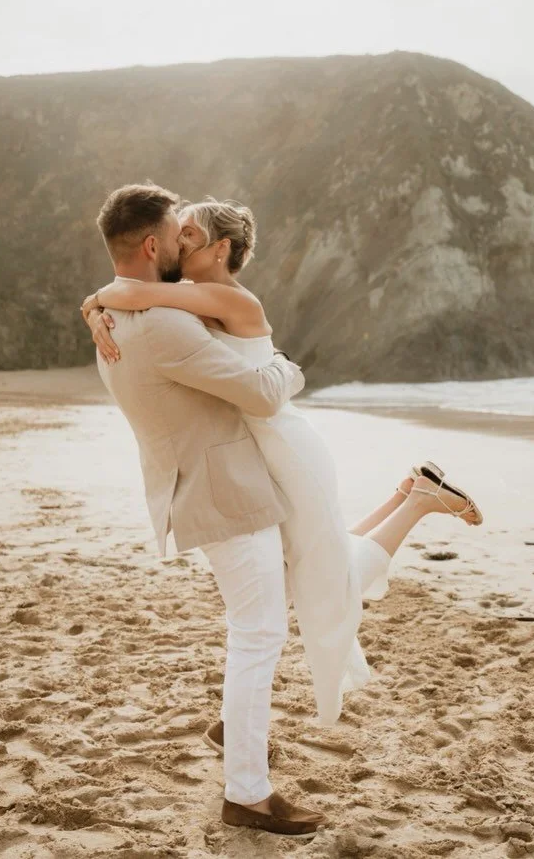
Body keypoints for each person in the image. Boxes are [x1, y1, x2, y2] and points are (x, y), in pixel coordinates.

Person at [82, 183, 482, 839]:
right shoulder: (160, 323)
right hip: (225, 493)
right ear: (155, 245)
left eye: (193, 233)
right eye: (177, 234)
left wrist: (95, 301)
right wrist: (289, 367)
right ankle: (247, 794)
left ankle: (236, 730)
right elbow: (265, 392)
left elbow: (144, 308)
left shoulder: (117, 316)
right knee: (261, 631)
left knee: (282, 602)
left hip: (212, 485)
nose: (183, 243)